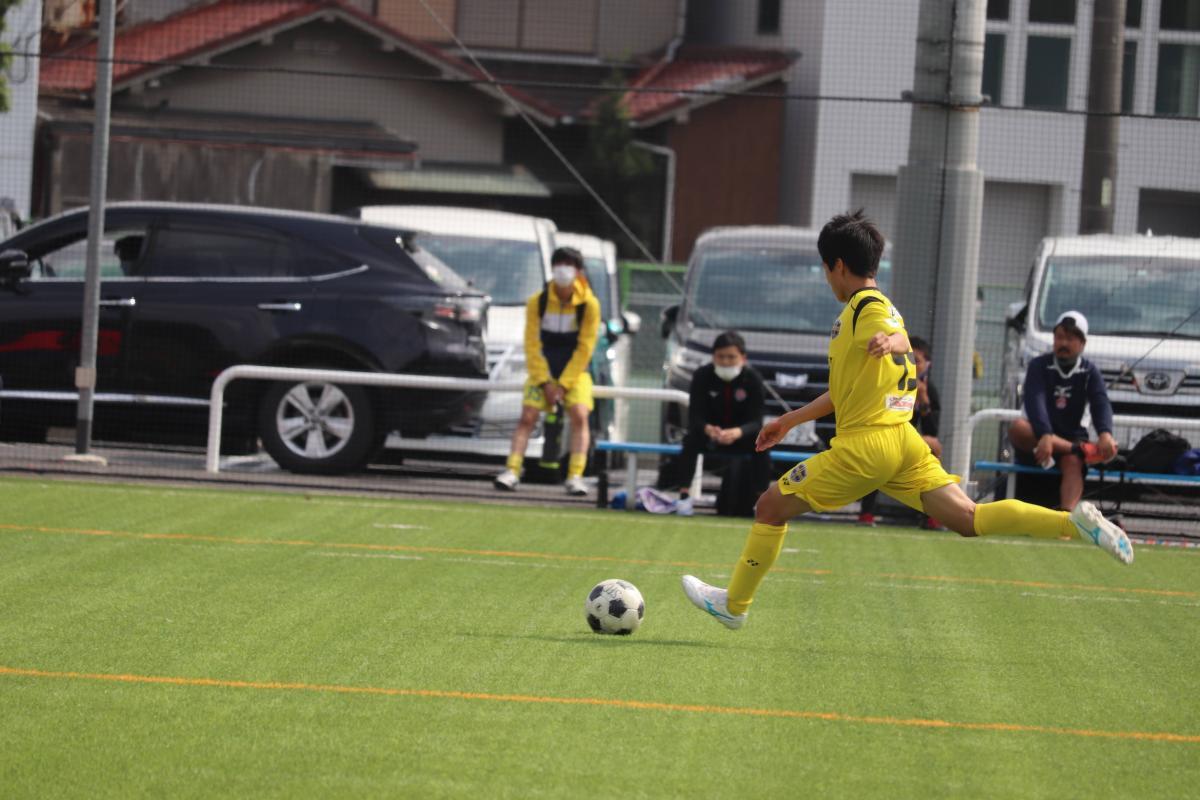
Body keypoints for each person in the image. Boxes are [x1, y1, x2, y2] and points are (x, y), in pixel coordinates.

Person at [681, 211, 1133, 631]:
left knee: (769, 506)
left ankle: (734, 605)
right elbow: (843, 392)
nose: (826, 277)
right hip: (902, 442)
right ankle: (1073, 524)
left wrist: (893, 342)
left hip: (867, 447)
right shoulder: (879, 306)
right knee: (968, 518)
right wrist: (788, 420)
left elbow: (896, 336)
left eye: (825, 268)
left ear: (838, 265)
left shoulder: (866, 307)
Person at [494, 246, 601, 496]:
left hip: (575, 371)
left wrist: (563, 384)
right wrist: (545, 381)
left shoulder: (589, 304)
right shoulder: (538, 301)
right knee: (528, 416)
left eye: (569, 265)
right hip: (543, 369)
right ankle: (512, 470)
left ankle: (575, 475)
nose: (563, 270)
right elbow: (532, 344)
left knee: (580, 415)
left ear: (579, 271)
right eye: (559, 264)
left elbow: (585, 347)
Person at [1007, 310, 1116, 511]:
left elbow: (1101, 403)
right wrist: (1045, 434)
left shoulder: (1089, 371)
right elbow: (1035, 402)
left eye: (1070, 338)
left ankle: (1065, 519)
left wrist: (1105, 434)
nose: (1063, 343)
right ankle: (1077, 449)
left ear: (1082, 343)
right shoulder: (1039, 365)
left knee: (1074, 463)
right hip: (1038, 438)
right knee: (1018, 428)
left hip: (1071, 437)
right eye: (1059, 337)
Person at [672, 330, 770, 517]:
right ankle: (684, 497)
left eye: (731, 357)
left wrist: (738, 432)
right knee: (690, 441)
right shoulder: (702, 376)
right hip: (711, 436)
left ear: (743, 358)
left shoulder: (753, 379)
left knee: (762, 445)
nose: (725, 362)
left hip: (741, 438)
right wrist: (708, 429)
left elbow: (756, 421)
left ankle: (761, 502)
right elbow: (695, 416)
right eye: (721, 356)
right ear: (713, 357)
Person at [856, 335, 942, 526]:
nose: (913, 365)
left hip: (910, 441)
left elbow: (932, 430)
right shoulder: (892, 382)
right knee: (878, 455)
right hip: (884, 435)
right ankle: (866, 513)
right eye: (909, 359)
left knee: (934, 449)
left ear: (928, 364)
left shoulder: (929, 389)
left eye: (917, 361)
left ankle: (932, 516)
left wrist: (924, 400)